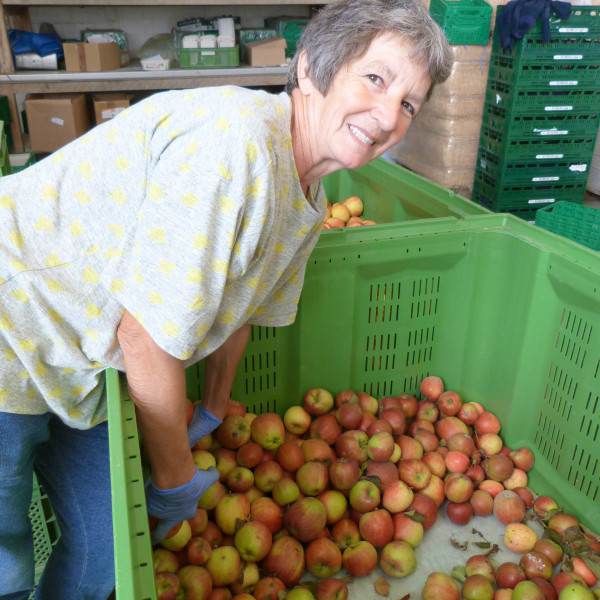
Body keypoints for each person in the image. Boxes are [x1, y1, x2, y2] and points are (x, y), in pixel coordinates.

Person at [0, 0, 451, 597]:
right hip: (16, 320)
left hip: (89, 356)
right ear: (313, 69)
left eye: (409, 103)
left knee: (106, 543)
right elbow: (145, 337)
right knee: (6, 552)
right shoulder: (233, 147)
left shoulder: (309, 201)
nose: (389, 113)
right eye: (376, 78)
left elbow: (244, 310)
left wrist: (211, 409)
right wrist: (177, 477)